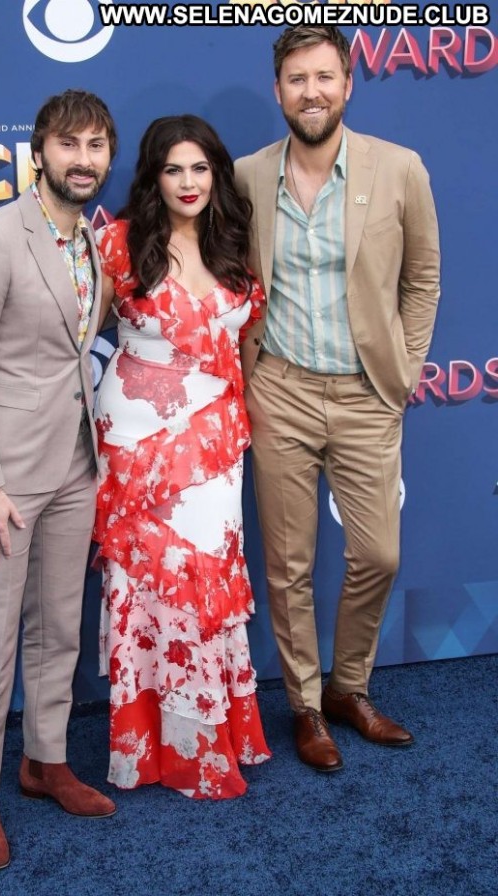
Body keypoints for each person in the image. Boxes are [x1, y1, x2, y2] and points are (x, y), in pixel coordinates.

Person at [235, 26, 440, 772]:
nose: (312, 92)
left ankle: (349, 687)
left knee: (378, 553)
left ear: (348, 84)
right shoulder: (248, 176)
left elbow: (422, 279)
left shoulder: (399, 167)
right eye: (297, 79)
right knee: (288, 566)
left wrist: (404, 372)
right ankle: (305, 707)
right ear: (279, 91)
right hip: (280, 391)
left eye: (325, 77)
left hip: (366, 394)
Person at [0, 89, 118, 871]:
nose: (83, 159)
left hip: (76, 464)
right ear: (39, 153)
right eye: (69, 144)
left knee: (59, 627)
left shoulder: (95, 243)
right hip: (3, 477)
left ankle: (44, 761)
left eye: (97, 145)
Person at [93, 115, 271, 800]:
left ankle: (205, 740)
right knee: (144, 584)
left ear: (217, 174)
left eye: (200, 168)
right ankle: (144, 747)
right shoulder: (119, 244)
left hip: (215, 442)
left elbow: (246, 348)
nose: (188, 182)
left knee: (205, 577)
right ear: (154, 177)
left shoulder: (235, 244)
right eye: (174, 169)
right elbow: (75, 337)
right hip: (133, 442)